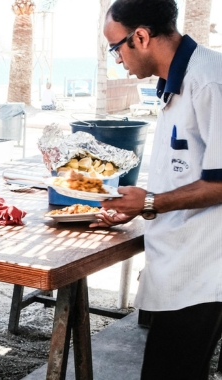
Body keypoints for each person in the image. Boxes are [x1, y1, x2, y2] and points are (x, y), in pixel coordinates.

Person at [92, 0, 222, 378]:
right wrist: (139, 205)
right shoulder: (173, 84)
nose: (117, 59)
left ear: (142, 37)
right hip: (178, 262)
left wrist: (151, 200)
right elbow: (188, 174)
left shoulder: (210, 80)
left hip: (204, 271)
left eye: (116, 47)